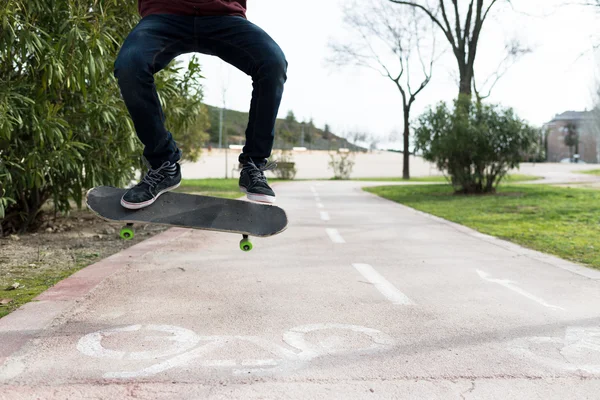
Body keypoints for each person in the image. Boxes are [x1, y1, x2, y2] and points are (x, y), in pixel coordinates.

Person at [115, 0, 287, 209]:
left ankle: (253, 165)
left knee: (273, 63)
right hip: (165, 14)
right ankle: (164, 164)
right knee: (130, 65)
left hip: (224, 16)